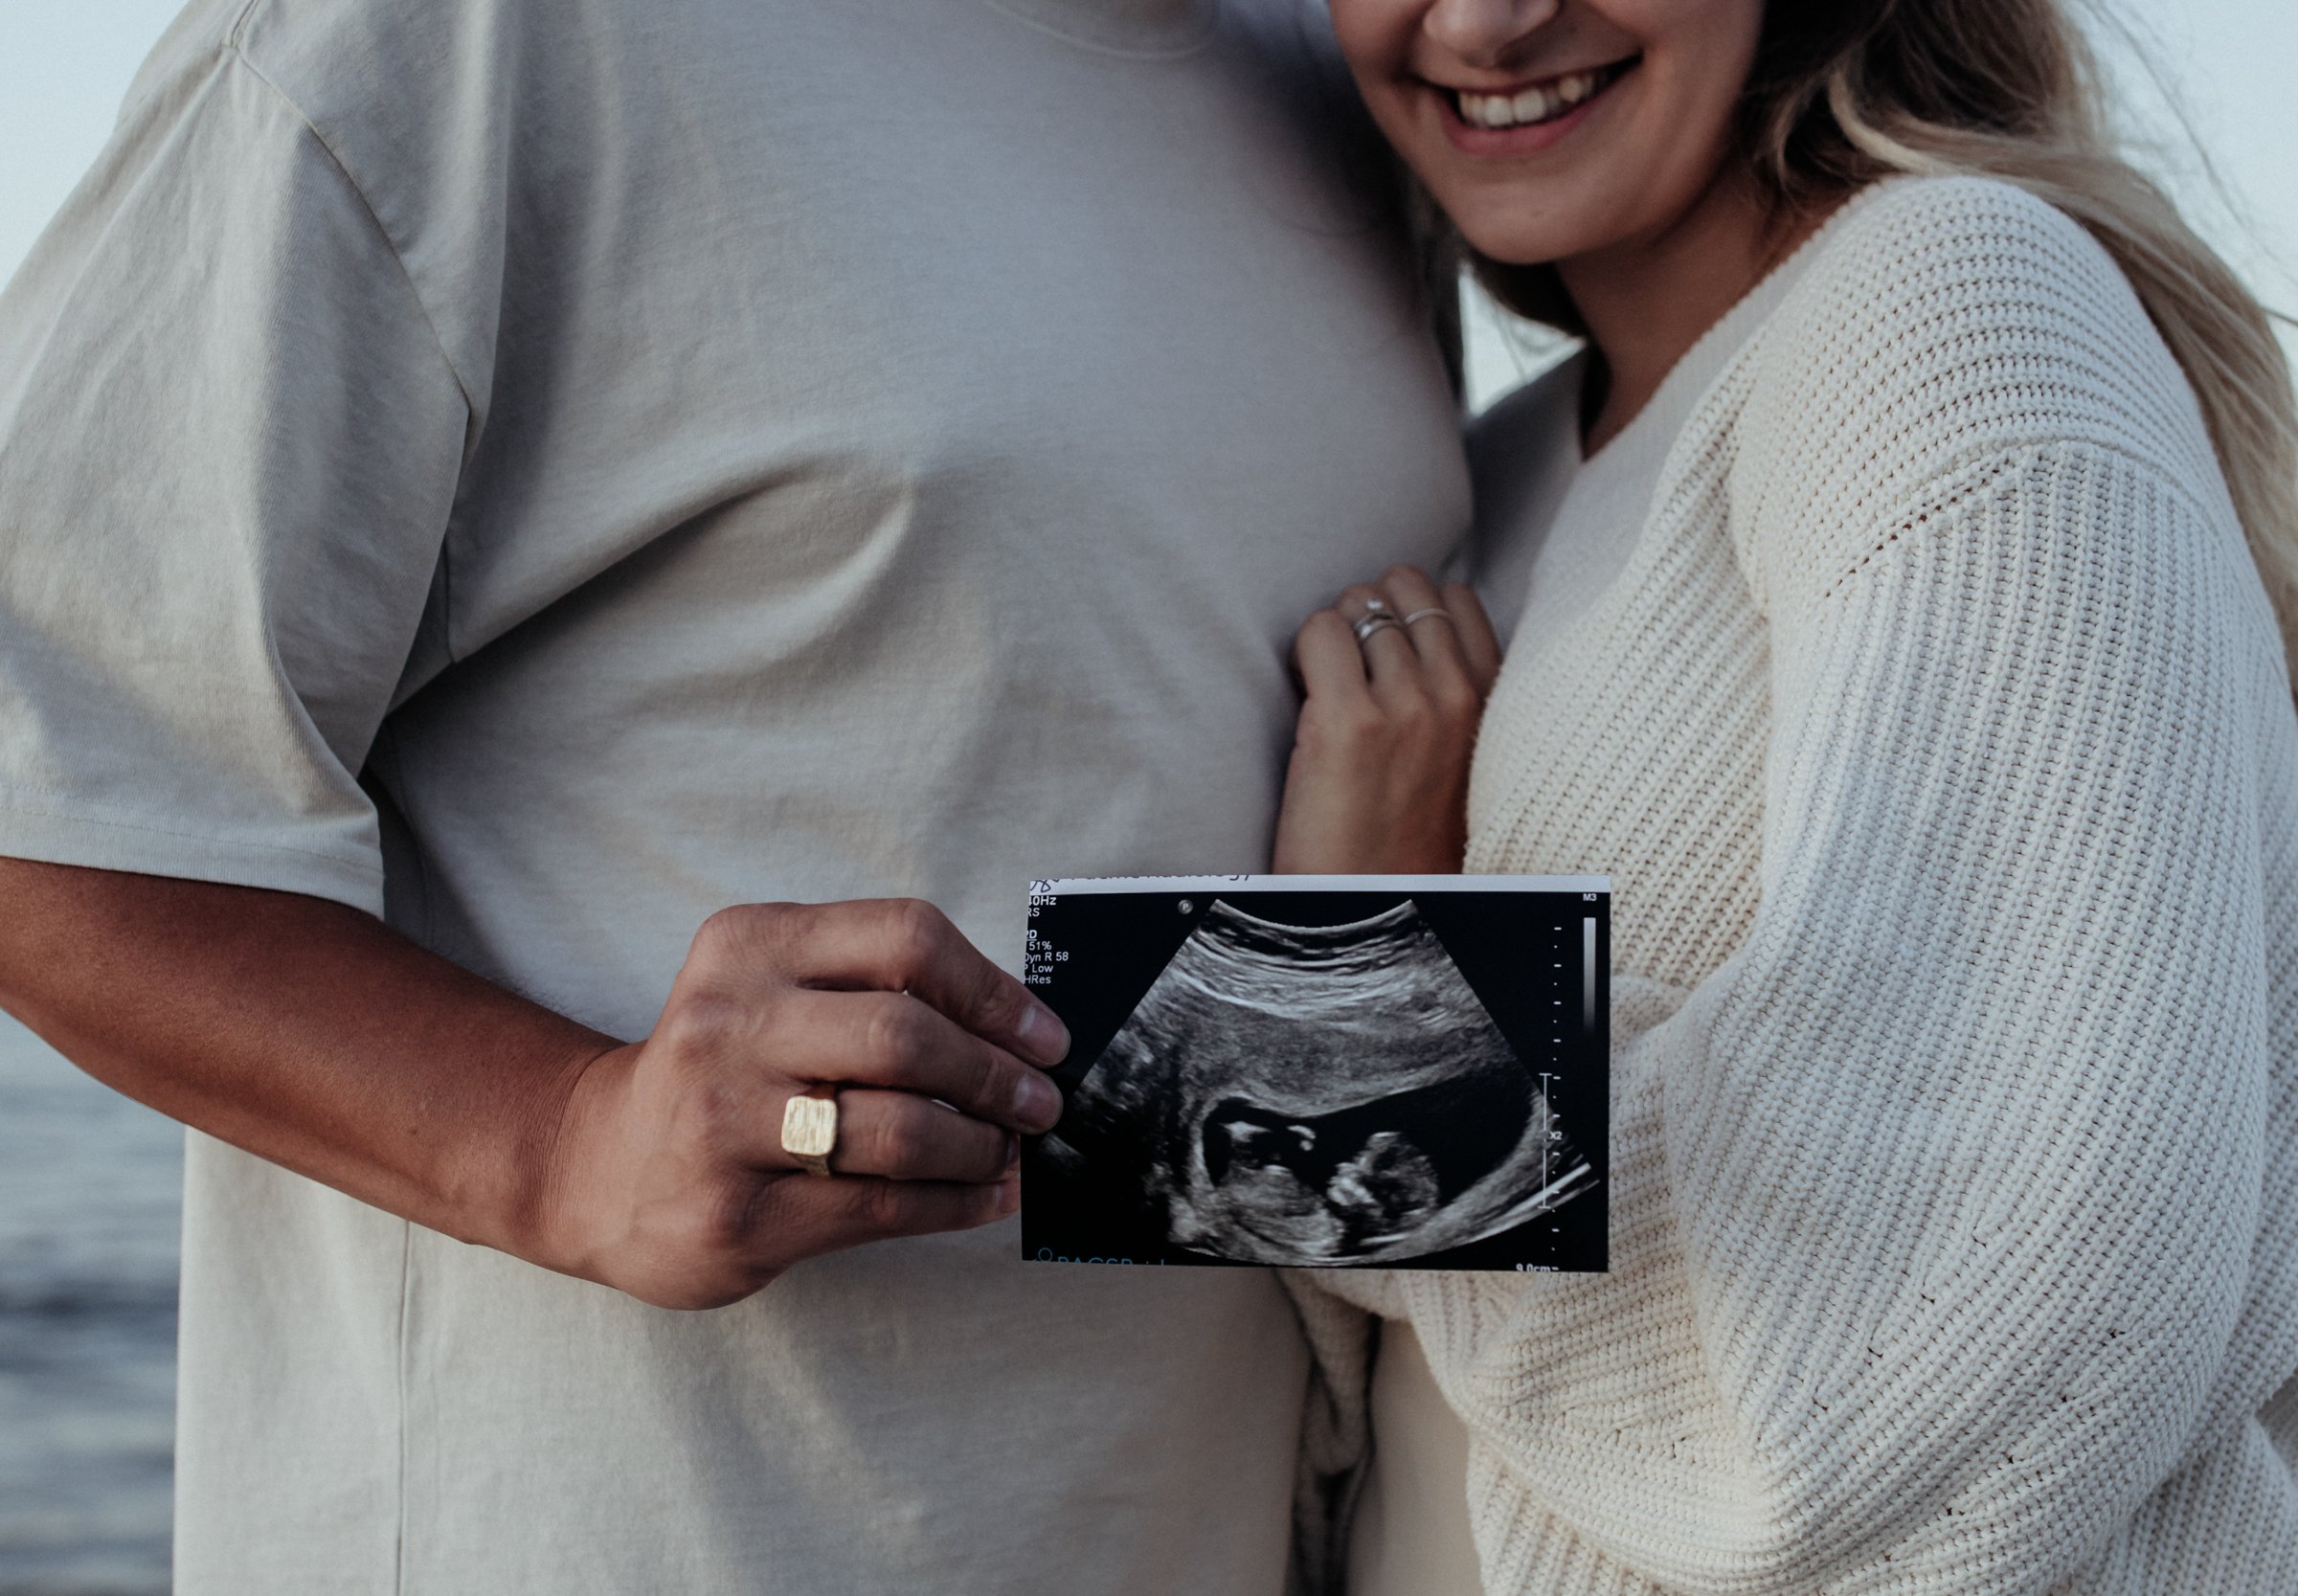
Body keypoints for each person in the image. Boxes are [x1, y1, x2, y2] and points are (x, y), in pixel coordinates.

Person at [0, 0, 1476, 1590]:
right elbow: (48, 783)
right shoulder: (484, 36)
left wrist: (1358, 957)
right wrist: (563, 1140)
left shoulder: (1341, 70)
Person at [1269, 0, 2298, 1591]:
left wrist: (1360, 974)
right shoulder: (1503, 470)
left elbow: (1990, 1284)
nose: (1488, 21)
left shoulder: (1946, 303)